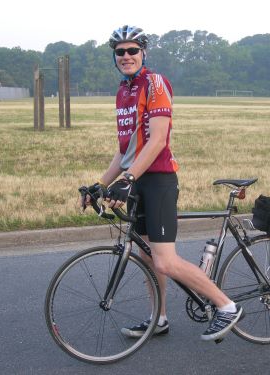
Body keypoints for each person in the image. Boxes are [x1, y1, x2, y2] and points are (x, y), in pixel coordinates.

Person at [83, 25, 244, 342]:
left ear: (143, 53)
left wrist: (128, 179)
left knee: (165, 259)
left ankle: (226, 306)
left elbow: (156, 142)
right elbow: (125, 150)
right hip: (139, 182)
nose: (126, 56)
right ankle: (159, 318)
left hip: (158, 181)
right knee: (147, 256)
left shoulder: (155, 84)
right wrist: (100, 184)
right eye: (120, 52)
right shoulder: (123, 91)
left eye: (132, 50)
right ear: (114, 56)